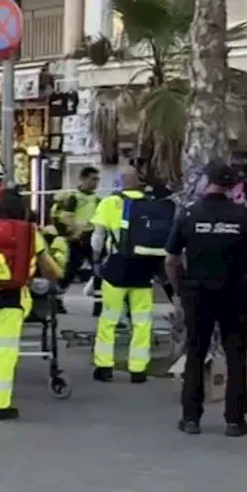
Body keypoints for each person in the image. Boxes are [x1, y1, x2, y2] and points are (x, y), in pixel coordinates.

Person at [166, 162, 247, 437]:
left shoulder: (189, 214)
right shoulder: (243, 215)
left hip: (197, 293)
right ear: (233, 185)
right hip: (234, 293)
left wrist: (180, 289)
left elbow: (172, 260)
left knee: (195, 353)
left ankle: (190, 418)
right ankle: (235, 420)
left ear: (206, 181)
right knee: (236, 354)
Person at [0, 188, 63, 420]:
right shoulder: (28, 233)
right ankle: (0, 405)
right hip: (13, 298)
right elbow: (48, 266)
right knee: (6, 352)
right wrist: (57, 275)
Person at [90, 164, 173, 383]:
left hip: (116, 267)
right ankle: (138, 368)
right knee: (142, 320)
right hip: (144, 268)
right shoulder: (151, 205)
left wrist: (96, 260)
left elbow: (97, 238)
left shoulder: (110, 203)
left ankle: (104, 366)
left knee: (109, 318)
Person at [52, 167, 100, 284]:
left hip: (92, 235)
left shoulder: (96, 198)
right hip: (78, 237)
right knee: (72, 268)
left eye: (97, 179)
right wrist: (77, 230)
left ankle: (98, 299)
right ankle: (59, 293)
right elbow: (65, 217)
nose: (96, 182)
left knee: (98, 267)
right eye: (93, 179)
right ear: (83, 179)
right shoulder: (74, 197)